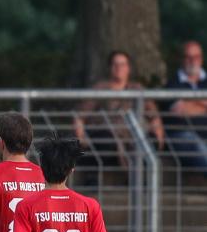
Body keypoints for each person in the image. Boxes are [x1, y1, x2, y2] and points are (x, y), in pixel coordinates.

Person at [75, 51, 164, 177]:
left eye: (122, 64)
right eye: (115, 64)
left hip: (133, 137)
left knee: (147, 144)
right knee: (105, 142)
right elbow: (80, 116)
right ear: (110, 67)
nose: (119, 68)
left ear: (128, 68)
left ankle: (141, 185)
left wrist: (158, 137)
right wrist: (82, 139)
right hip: (107, 137)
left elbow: (154, 116)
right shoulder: (100, 88)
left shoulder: (137, 89)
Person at [163, 41, 207, 176]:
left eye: (196, 56)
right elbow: (180, 110)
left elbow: (186, 107)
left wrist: (191, 102)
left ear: (202, 58)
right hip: (182, 135)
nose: (192, 60)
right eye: (188, 56)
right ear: (182, 59)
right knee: (197, 146)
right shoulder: (172, 83)